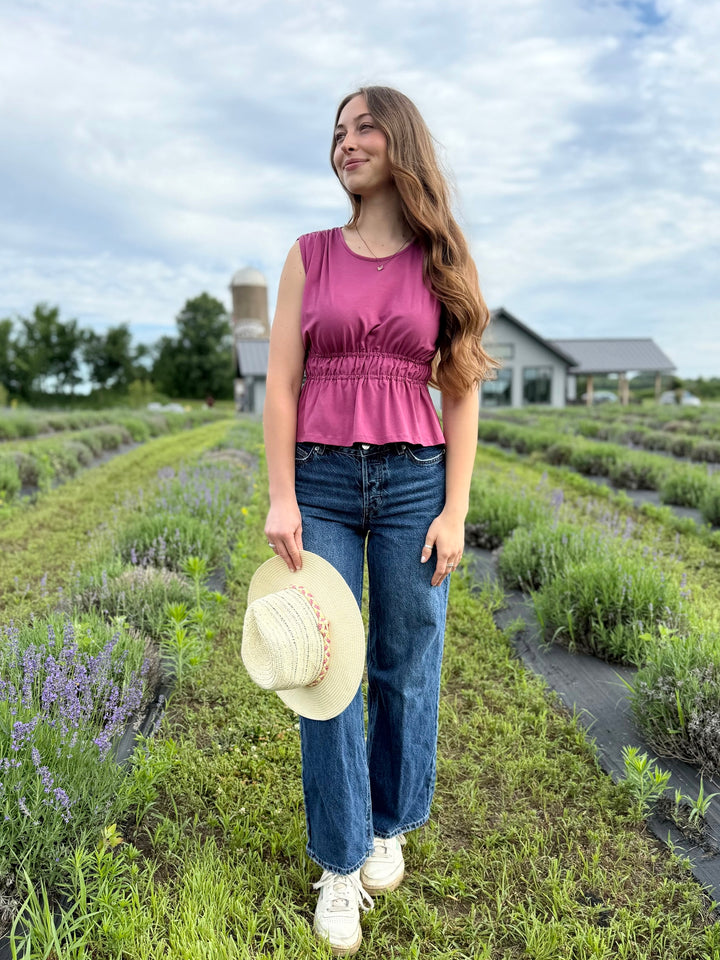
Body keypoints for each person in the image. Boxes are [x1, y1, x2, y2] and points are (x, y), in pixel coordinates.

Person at [262, 85, 496, 955]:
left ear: (400, 142)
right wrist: (282, 495)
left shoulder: (444, 258)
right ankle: (340, 860)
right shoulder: (307, 256)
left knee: (405, 662)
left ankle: (390, 822)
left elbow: (461, 388)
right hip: (320, 482)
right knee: (325, 671)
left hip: (412, 485)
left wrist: (456, 510)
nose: (345, 142)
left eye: (362, 127)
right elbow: (281, 384)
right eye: (336, 132)